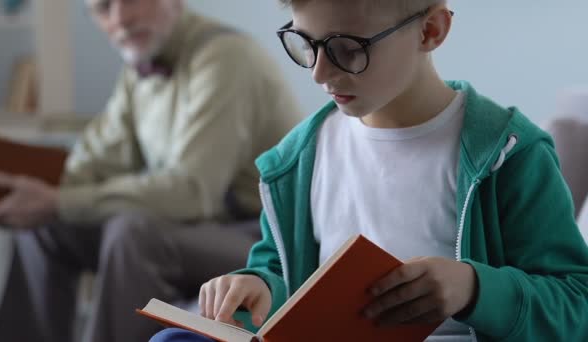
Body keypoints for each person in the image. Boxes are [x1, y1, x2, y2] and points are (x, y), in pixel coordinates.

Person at [151, 0, 588, 341]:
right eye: (306, 43)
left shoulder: (509, 153)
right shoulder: (296, 161)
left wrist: (473, 288)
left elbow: (576, 306)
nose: (321, 73)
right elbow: (281, 275)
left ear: (431, 30)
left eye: (347, 48)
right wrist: (258, 287)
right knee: (172, 339)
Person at [0, 0, 302, 341]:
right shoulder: (141, 66)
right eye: (103, 8)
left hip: (260, 240)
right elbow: (93, 161)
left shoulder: (225, 57)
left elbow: (192, 193)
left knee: (132, 232)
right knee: (45, 225)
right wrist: (21, 196)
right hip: (193, 229)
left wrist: (61, 201)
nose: (121, 18)